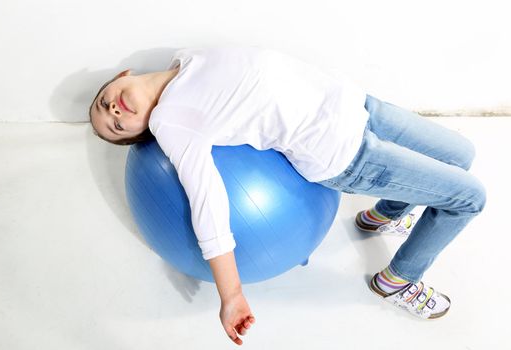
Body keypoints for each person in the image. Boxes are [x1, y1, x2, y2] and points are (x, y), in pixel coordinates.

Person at [89, 46, 486, 345]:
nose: (114, 111)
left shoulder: (187, 58)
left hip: (358, 106)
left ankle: (385, 214)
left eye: (103, 103)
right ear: (147, 131)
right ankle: (398, 281)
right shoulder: (171, 122)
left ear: (120, 75)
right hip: (348, 154)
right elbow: (207, 202)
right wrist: (232, 295)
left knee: (461, 154)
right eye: (117, 126)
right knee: (470, 198)